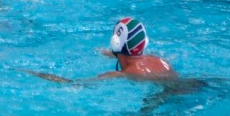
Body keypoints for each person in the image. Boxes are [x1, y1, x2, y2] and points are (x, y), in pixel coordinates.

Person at [25, 18, 178, 83]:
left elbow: (75, 84)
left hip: (169, 98)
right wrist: (111, 54)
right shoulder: (159, 60)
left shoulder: (122, 74)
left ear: (116, 43)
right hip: (194, 85)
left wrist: (39, 74)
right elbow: (130, 54)